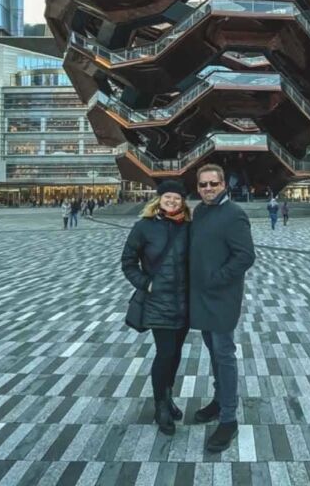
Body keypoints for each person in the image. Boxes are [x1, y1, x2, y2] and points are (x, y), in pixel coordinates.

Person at [189, 164, 255, 453]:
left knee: (224, 354)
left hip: (222, 298)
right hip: (201, 297)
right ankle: (219, 402)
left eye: (213, 184)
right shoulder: (200, 212)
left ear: (224, 185)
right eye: (203, 185)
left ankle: (228, 419)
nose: (208, 189)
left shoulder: (235, 214)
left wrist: (217, 279)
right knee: (214, 352)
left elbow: (245, 257)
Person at [121, 180, 190, 436]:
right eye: (168, 197)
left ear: (183, 202)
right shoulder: (144, 227)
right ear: (159, 199)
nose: (172, 201)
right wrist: (146, 284)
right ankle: (160, 405)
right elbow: (128, 262)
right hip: (158, 302)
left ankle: (168, 396)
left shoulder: (189, 227)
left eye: (177, 198)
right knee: (165, 353)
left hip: (184, 303)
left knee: (176, 354)